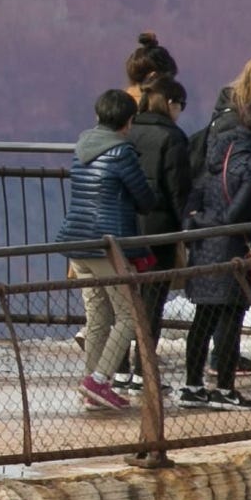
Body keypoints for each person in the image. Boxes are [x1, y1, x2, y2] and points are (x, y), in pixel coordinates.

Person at [180, 55, 251, 410]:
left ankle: (192, 385)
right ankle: (223, 388)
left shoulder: (218, 147)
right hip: (230, 246)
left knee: (204, 316)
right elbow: (238, 214)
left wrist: (194, 223)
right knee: (230, 317)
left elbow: (197, 193)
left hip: (205, 246)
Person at [57, 89, 164, 414]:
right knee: (130, 315)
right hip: (108, 245)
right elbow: (144, 199)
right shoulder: (121, 152)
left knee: (99, 315)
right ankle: (99, 381)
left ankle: (93, 384)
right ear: (127, 122)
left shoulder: (82, 147)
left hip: (77, 243)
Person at [120, 70, 195, 393]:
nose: (181, 111)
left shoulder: (129, 130)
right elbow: (177, 190)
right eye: (181, 104)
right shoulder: (173, 138)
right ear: (169, 103)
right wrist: (188, 229)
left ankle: (119, 369)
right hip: (159, 230)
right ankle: (144, 370)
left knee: (124, 300)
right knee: (152, 301)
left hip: (124, 227)